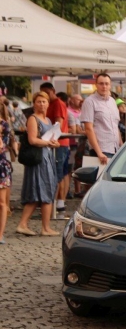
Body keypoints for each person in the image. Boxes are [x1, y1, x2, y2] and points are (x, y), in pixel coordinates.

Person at [16, 92, 60, 237]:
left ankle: (39, 226)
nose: (42, 104)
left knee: (47, 189)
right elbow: (32, 140)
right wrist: (48, 143)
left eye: (44, 101)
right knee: (39, 190)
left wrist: (55, 143)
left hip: (47, 157)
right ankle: (38, 227)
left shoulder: (48, 119)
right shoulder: (33, 119)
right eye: (39, 101)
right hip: (38, 159)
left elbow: (51, 138)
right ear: (34, 103)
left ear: (48, 103)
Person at [42, 84, 71, 219]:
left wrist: (50, 138)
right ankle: (60, 204)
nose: (46, 95)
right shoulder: (52, 103)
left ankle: (55, 205)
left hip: (58, 143)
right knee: (62, 173)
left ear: (53, 91)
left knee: (57, 174)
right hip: (59, 143)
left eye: (47, 93)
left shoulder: (58, 103)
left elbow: (58, 124)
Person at [80, 73, 121, 165]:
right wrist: (99, 152)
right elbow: (88, 128)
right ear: (96, 85)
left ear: (110, 85)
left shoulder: (112, 101)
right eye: (101, 83)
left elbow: (115, 126)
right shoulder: (90, 101)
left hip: (115, 149)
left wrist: (121, 145)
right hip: (101, 150)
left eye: (106, 84)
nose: (104, 86)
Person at [0, 102, 14, 243]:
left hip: (1, 167)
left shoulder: (4, 125)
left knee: (2, 202)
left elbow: (1, 147)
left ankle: (0, 234)